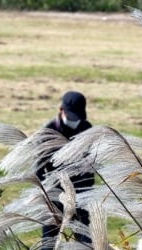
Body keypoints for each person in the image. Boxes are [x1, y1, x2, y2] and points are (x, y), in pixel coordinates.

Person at [36, 91, 94, 249]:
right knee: (49, 241)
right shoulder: (48, 132)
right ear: (61, 109)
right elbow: (39, 170)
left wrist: (85, 192)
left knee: (85, 240)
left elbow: (90, 166)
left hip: (80, 193)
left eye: (77, 116)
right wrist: (51, 193)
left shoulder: (86, 128)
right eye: (71, 116)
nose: (74, 120)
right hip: (55, 193)